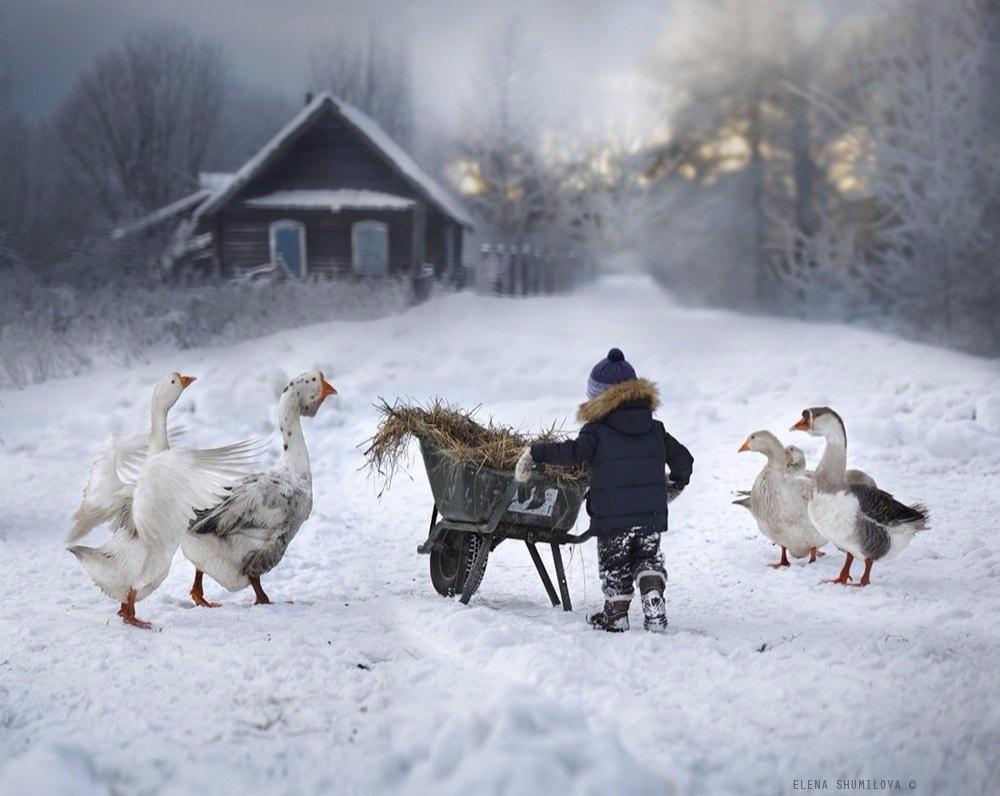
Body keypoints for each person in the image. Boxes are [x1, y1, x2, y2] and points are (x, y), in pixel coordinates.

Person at [515, 348, 693, 632]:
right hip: (650, 516)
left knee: (616, 567)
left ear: (599, 397)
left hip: (612, 520)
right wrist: (675, 484)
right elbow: (684, 460)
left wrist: (536, 452)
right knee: (648, 559)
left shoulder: (595, 432)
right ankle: (652, 593)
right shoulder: (655, 429)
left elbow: (572, 453)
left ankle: (615, 617)